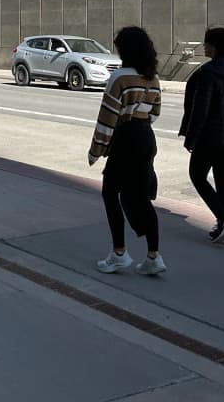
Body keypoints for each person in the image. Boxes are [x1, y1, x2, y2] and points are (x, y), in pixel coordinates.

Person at [88, 26, 166, 276]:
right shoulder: (152, 78)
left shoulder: (120, 77)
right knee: (141, 198)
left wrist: (96, 149)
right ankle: (154, 256)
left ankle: (119, 253)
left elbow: (107, 117)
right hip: (145, 138)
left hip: (125, 138)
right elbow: (155, 113)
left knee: (110, 193)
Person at [179, 26, 224, 245]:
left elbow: (200, 110)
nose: (204, 47)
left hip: (212, 135)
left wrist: (190, 137)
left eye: (207, 43)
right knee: (222, 180)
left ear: (214, 46)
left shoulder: (209, 73)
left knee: (197, 175)